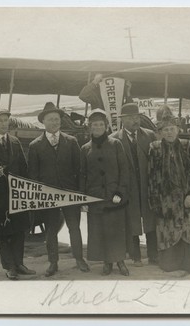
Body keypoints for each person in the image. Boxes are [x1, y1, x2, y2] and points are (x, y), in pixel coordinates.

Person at [28, 102, 90, 277]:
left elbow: (79, 170)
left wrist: (80, 194)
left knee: (74, 227)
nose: (54, 123)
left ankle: (79, 259)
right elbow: (33, 175)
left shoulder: (71, 142)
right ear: (43, 122)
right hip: (48, 196)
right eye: (50, 120)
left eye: (57, 119)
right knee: (51, 230)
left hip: (70, 194)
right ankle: (53, 263)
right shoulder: (35, 145)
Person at [148, 105, 190, 273]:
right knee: (169, 232)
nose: (169, 133)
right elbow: (152, 177)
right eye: (166, 129)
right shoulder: (155, 148)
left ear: (177, 130)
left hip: (186, 199)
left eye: (172, 129)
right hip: (166, 200)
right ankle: (172, 263)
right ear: (160, 132)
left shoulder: (186, 145)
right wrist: (155, 202)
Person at [0, 108, 36, 280]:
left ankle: (19, 264)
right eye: (0, 121)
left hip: (17, 194)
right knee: (3, 233)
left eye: (6, 120)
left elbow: (23, 169)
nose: (4, 124)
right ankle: (9, 266)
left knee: (19, 230)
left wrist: (27, 191)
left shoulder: (15, 142)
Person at [80, 109, 130, 276]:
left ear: (106, 126)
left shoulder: (116, 144)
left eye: (101, 124)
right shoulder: (85, 148)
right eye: (95, 125)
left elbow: (124, 170)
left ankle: (121, 262)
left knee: (116, 230)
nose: (98, 127)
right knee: (100, 230)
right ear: (90, 127)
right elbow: (82, 175)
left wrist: (120, 192)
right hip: (95, 198)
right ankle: (107, 263)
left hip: (114, 197)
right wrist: (84, 199)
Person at [111, 103, 158, 267]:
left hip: (147, 186)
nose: (135, 120)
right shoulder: (114, 139)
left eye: (137, 117)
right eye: (130, 117)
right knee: (131, 221)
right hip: (128, 187)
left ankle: (154, 256)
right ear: (123, 120)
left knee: (151, 219)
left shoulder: (150, 135)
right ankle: (135, 256)